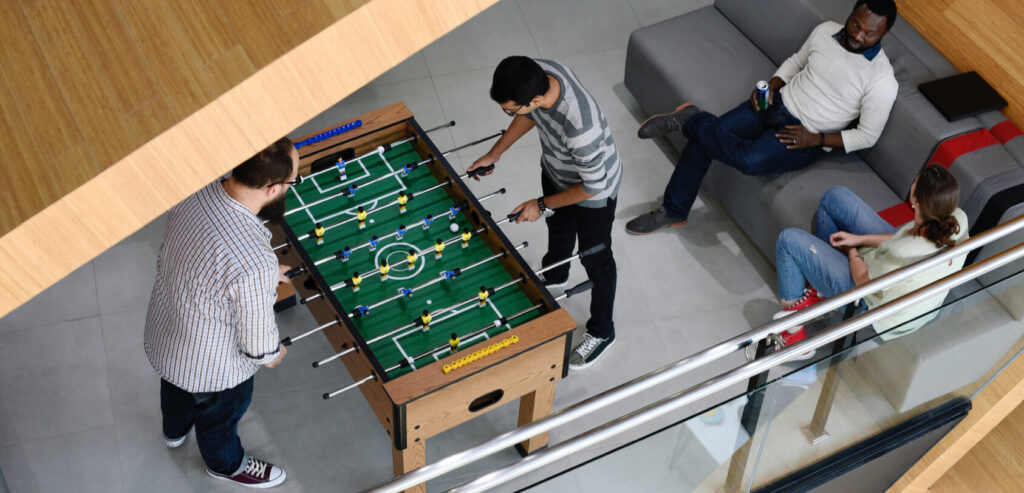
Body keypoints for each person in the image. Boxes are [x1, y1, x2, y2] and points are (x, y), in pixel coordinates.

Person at [626, 0, 900, 234]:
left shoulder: (881, 80)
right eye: (855, 24)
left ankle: (690, 120)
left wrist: (815, 139)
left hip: (803, 135)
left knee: (749, 159)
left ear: (885, 33)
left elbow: (867, 135)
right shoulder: (826, 30)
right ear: (851, 15)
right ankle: (674, 210)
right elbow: (796, 62)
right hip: (775, 102)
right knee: (704, 141)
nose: (858, 35)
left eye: (869, 34)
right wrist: (771, 86)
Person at [144, 137, 299, 488]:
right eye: (293, 181)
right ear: (273, 189)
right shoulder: (253, 262)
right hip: (215, 370)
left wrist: (263, 276)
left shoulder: (194, 191)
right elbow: (258, 347)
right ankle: (225, 465)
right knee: (219, 420)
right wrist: (273, 355)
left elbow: (207, 258)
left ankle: (174, 432)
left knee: (175, 391)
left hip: (167, 337)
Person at [467, 56, 622, 370]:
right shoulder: (539, 73)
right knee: (559, 227)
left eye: (510, 109)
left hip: (594, 192)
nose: (510, 113)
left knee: (596, 259)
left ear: (535, 99)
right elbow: (529, 115)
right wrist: (495, 153)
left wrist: (540, 204)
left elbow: (592, 186)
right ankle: (555, 274)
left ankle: (603, 331)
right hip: (556, 170)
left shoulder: (581, 128)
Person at [773, 165, 968, 351]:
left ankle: (792, 334)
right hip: (885, 267)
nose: (913, 182)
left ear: (917, 201)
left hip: (872, 303)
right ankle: (822, 288)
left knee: (787, 240)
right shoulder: (947, 222)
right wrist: (859, 239)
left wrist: (852, 250)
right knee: (834, 197)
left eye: (916, 181)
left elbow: (863, 280)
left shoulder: (901, 255)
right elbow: (899, 240)